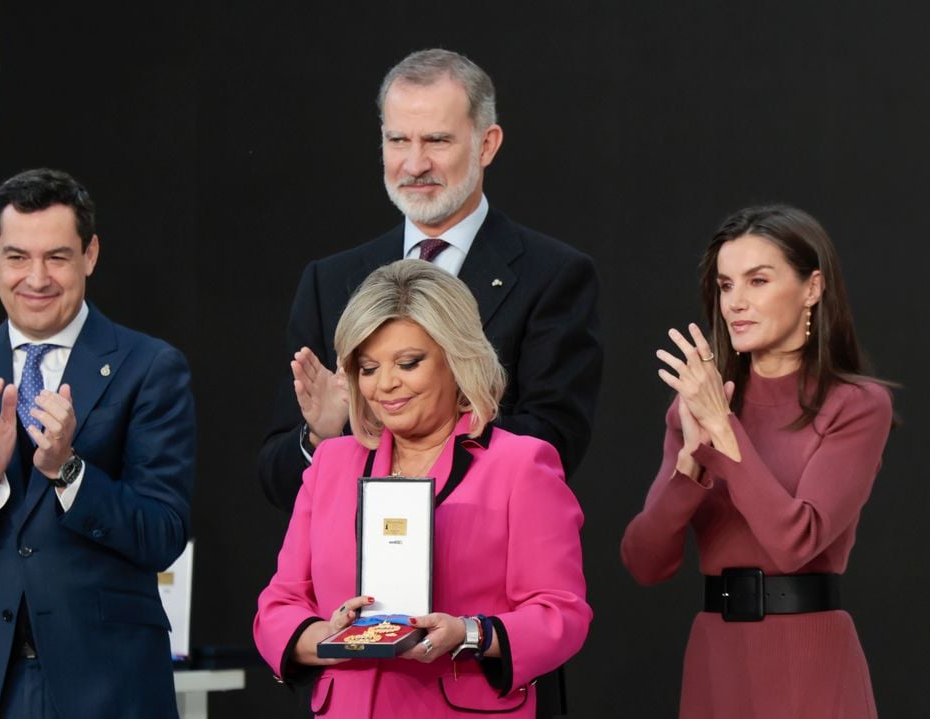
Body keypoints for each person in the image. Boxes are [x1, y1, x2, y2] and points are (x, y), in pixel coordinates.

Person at [258, 48, 602, 512]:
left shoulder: (554, 276)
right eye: (398, 140)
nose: (414, 164)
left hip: (483, 563)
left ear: (487, 144)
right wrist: (321, 435)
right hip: (354, 577)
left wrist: (404, 442)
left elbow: (552, 447)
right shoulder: (330, 281)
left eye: (437, 141)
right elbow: (279, 479)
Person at [254, 259, 590, 717]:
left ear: (458, 358)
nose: (385, 385)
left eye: (408, 363)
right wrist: (334, 638)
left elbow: (560, 614)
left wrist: (470, 633)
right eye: (368, 368)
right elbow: (279, 604)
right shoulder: (331, 463)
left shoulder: (521, 465)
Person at [621, 204, 893, 718]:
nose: (736, 303)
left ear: (812, 287)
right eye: (725, 286)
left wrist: (724, 433)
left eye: (758, 281)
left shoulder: (856, 404)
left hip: (809, 655)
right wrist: (690, 467)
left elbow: (796, 543)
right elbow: (644, 562)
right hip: (714, 657)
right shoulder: (696, 408)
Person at [0, 168, 195, 719]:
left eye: (57, 257)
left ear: (90, 255)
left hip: (107, 682)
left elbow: (162, 533)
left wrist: (69, 470)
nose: (36, 278)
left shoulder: (151, 367)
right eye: (18, 256)